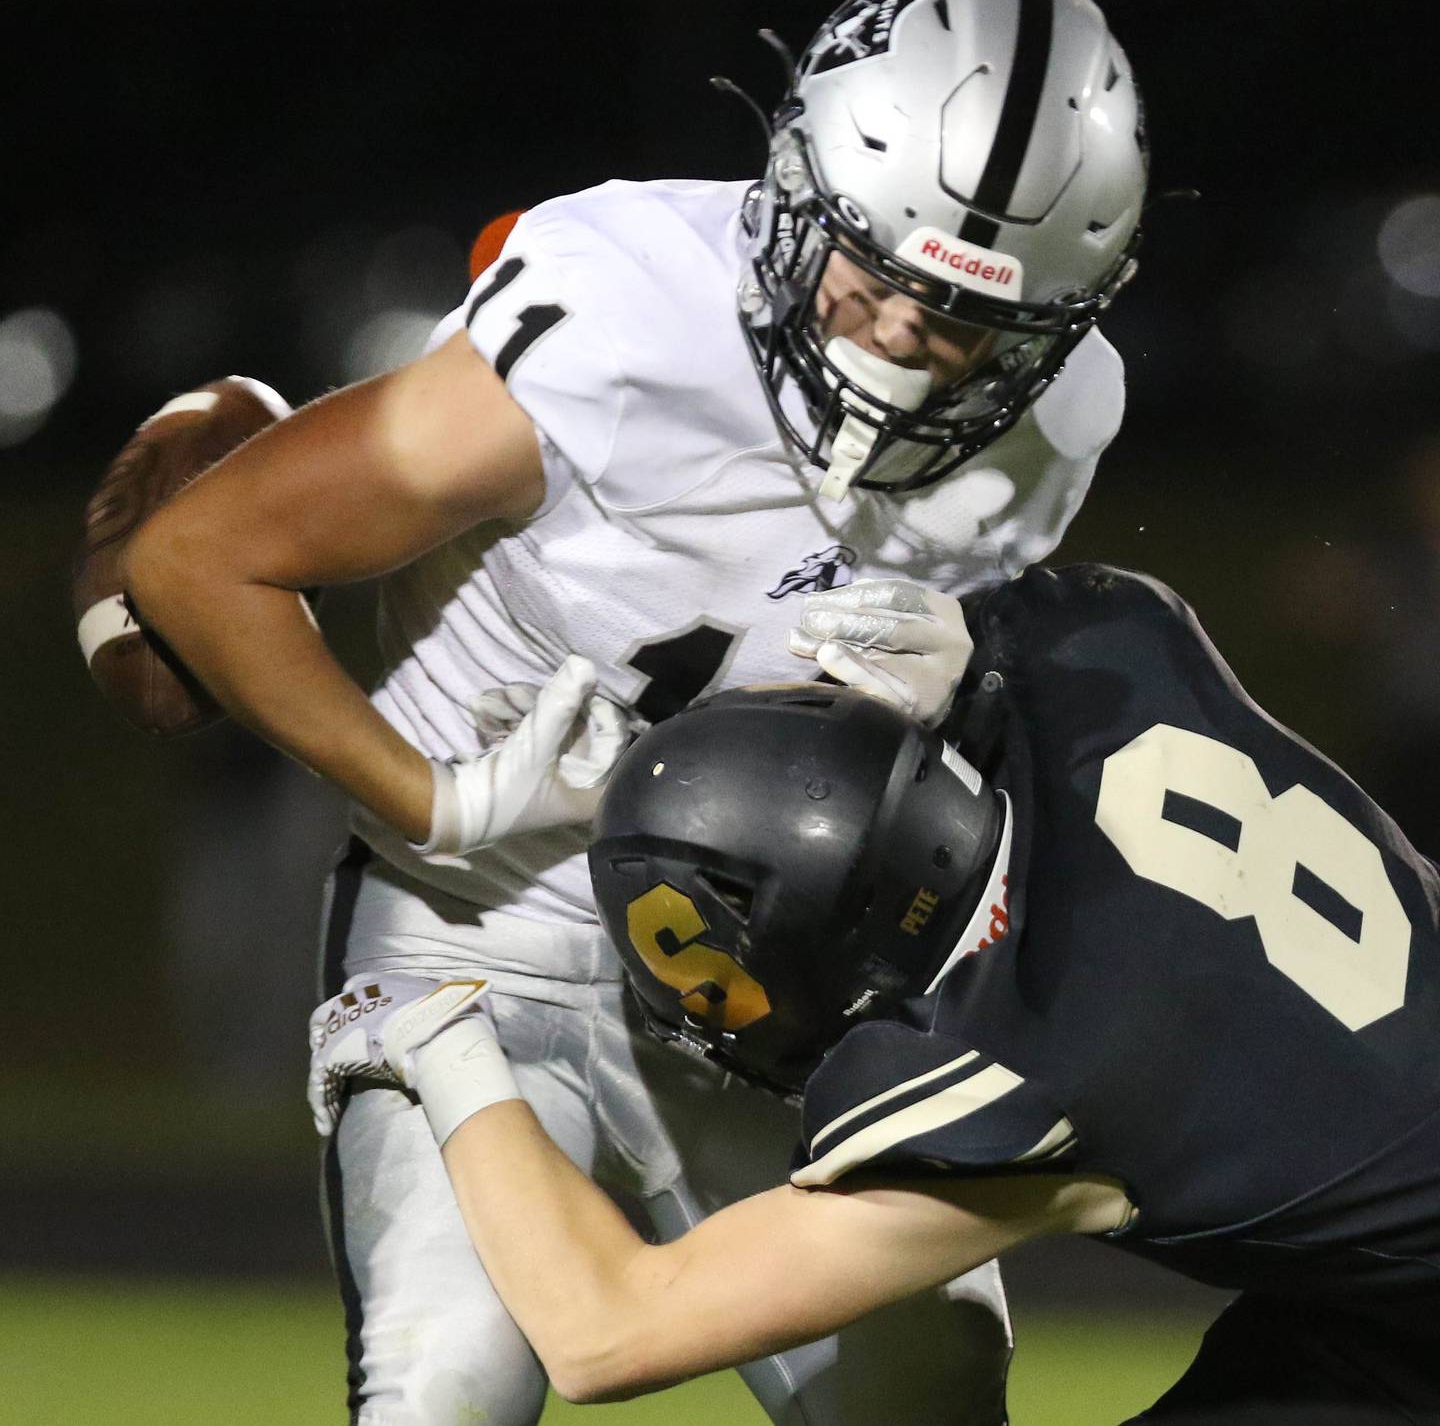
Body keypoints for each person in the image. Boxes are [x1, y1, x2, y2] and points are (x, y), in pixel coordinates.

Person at [125, 0, 1147, 1425]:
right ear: (798, 194)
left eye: (967, 320)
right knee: (448, 1391)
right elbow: (201, 556)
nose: (908, 351)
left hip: (785, 969)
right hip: (489, 927)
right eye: (879, 279)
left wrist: (974, 678)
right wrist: (436, 795)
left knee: (925, 1400)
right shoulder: (622, 325)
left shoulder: (1065, 416)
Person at [311, 564, 1440, 1423]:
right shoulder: (1104, 662)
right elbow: (1037, 637)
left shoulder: (1032, 1069)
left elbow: (607, 1332)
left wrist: (426, 1027)